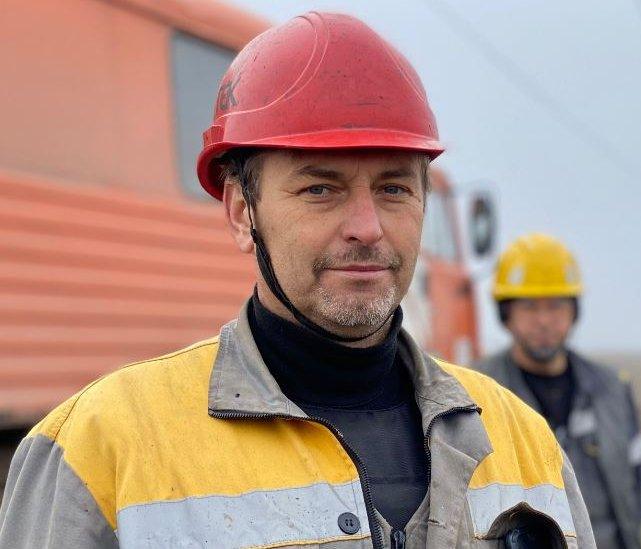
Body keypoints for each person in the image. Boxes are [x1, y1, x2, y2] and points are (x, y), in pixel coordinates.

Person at [0, 13, 596, 548]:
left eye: (393, 188)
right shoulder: (100, 450)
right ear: (242, 212)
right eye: (321, 188)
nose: (367, 228)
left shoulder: (525, 445)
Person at [475, 233, 641, 549]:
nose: (544, 321)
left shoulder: (613, 390)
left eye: (556, 306)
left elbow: (636, 487)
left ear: (574, 312)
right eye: (529, 306)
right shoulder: (475, 391)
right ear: (506, 314)